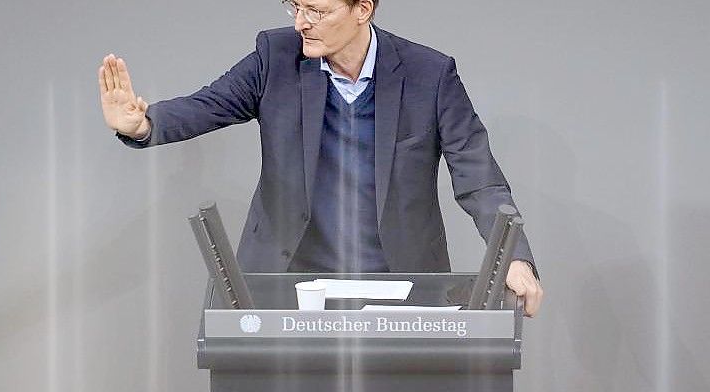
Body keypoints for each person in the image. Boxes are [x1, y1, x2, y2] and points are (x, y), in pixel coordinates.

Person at [98, 0, 544, 316]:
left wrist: (515, 258)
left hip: (397, 277)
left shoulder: (429, 73)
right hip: (290, 276)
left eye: (317, 10)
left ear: (362, 10)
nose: (301, 23)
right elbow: (209, 105)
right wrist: (143, 124)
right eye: (295, 7)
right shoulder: (275, 57)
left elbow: (477, 174)